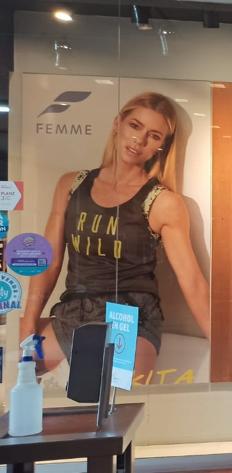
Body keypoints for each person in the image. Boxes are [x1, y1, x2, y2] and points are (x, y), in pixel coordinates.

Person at [21, 92, 211, 377]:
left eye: (154, 136)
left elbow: (192, 282)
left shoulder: (163, 202)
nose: (139, 140)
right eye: (135, 126)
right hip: (74, 312)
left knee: (113, 395)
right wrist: (28, 322)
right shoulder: (71, 185)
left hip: (130, 316)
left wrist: (227, 351)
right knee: (21, 374)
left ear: (161, 147)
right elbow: (49, 262)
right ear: (118, 123)